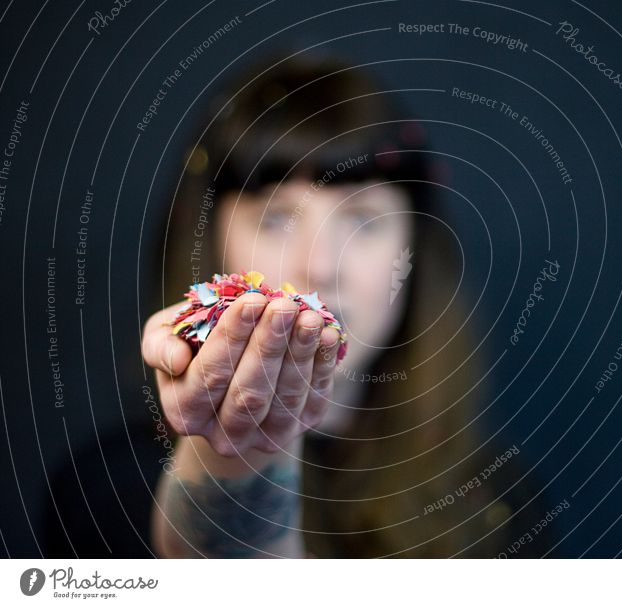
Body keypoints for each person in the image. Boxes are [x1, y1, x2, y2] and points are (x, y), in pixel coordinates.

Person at [141, 53, 555, 558]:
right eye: (274, 220)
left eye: (362, 220)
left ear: (413, 258)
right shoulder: (114, 490)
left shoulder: (496, 504)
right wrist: (239, 443)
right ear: (212, 245)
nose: (318, 266)